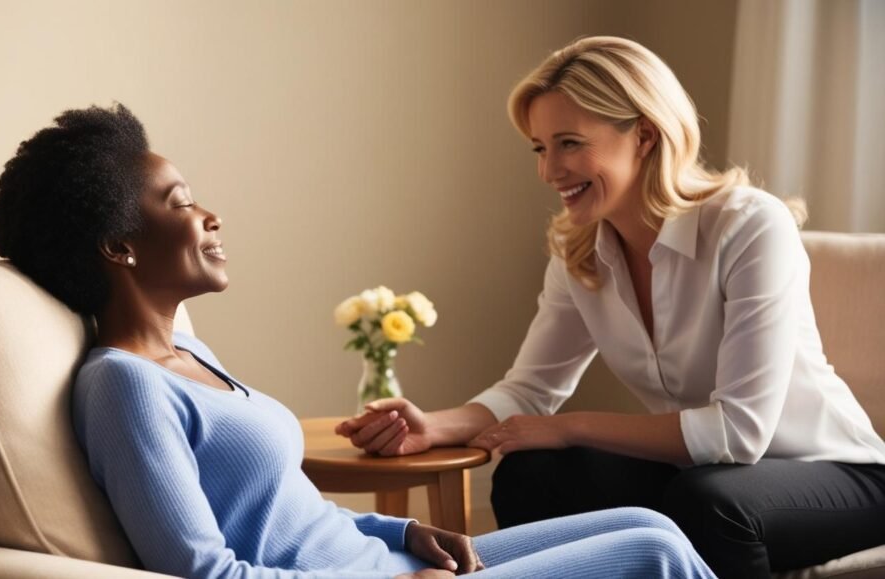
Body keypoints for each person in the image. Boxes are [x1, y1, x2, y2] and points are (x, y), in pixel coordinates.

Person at [0, 103, 715, 579]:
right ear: (119, 246)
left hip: (383, 561)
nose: (208, 215)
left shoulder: (188, 352)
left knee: (647, 522)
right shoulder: (123, 384)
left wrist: (398, 531)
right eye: (178, 202)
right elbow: (206, 570)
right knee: (650, 555)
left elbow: (288, 512)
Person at [336, 36, 885, 578]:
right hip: (700, 476)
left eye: (570, 143)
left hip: (838, 477)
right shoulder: (580, 252)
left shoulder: (748, 226)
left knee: (711, 501)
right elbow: (529, 390)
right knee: (531, 473)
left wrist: (572, 426)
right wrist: (434, 425)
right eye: (540, 147)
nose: (550, 171)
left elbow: (738, 434)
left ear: (644, 135)